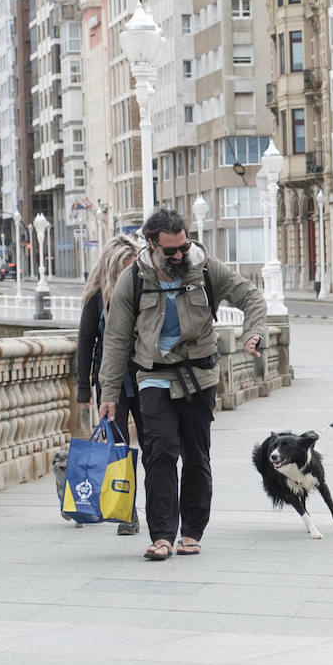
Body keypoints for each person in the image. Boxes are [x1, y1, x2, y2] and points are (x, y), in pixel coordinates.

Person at [98, 208, 267, 561]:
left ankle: (191, 531)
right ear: (151, 244)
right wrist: (109, 393)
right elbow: (115, 339)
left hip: (199, 376)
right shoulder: (134, 278)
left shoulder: (206, 268)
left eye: (183, 247)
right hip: (153, 376)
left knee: (196, 455)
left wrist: (253, 333)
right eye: (170, 250)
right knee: (159, 454)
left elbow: (252, 297)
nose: (178, 255)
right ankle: (161, 536)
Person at [75, 234, 144, 535]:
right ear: (112, 269)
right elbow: (85, 343)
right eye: (125, 268)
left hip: (145, 378)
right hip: (110, 382)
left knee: (153, 445)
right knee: (117, 449)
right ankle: (127, 512)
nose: (130, 274)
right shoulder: (96, 300)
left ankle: (158, 508)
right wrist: (82, 388)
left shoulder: (143, 292)